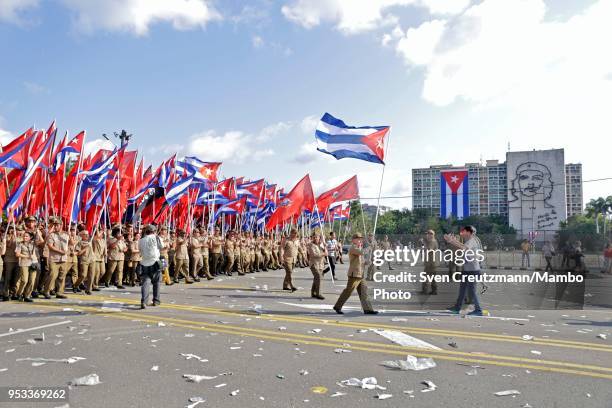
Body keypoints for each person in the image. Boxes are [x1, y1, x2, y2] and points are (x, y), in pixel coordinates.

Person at [333, 233, 378, 315]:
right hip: (355, 274)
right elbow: (362, 252)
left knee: (364, 292)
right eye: (358, 239)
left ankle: (368, 309)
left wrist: (367, 262)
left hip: (361, 274)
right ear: (353, 240)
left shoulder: (359, 248)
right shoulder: (353, 247)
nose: (360, 240)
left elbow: (361, 261)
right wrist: (370, 246)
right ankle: (337, 306)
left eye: (361, 239)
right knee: (348, 291)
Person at [444, 225, 484, 316]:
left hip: (472, 270)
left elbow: (464, 248)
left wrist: (452, 241)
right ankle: (457, 307)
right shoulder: (468, 241)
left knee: (471, 291)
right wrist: (452, 241)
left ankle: (478, 310)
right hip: (467, 269)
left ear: (472, 233)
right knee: (462, 289)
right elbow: (462, 246)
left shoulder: (473, 241)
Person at [43, 217, 70, 299]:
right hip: (54, 259)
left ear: (61, 225)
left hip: (64, 259)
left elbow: (72, 243)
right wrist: (60, 251)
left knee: (62, 276)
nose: (56, 226)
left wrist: (70, 235)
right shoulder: (51, 235)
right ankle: (46, 291)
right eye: (55, 225)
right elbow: (50, 246)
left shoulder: (66, 235)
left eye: (57, 225)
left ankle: (59, 292)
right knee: (53, 275)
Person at [138, 225, 163, 309]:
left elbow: (140, 251)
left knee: (145, 283)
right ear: (154, 231)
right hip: (155, 262)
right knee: (156, 283)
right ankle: (156, 300)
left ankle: (144, 302)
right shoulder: (156, 238)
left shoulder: (141, 240)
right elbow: (161, 247)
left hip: (144, 263)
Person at [14, 231, 39, 302]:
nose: (25, 237)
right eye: (24, 236)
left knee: (32, 281)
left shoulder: (33, 244)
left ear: (30, 237)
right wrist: (27, 256)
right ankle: (19, 293)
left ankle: (27, 295)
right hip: (24, 263)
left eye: (27, 236)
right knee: (24, 280)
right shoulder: (20, 244)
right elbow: (17, 254)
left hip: (33, 264)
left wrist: (38, 233)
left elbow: (42, 241)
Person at [307, 233, 327, 300]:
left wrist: (325, 247)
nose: (315, 238)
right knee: (318, 276)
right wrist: (324, 254)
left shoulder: (321, 245)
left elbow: (326, 252)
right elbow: (314, 255)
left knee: (317, 278)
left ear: (319, 238)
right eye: (314, 237)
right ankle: (318, 293)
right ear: (312, 238)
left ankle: (313, 293)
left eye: (317, 237)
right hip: (314, 264)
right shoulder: (311, 245)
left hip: (320, 264)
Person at [422, 230, 439, 295]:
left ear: (432, 235)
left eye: (428, 234)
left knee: (426, 277)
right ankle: (434, 290)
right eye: (427, 234)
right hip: (432, 262)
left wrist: (424, 244)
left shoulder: (432, 241)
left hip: (431, 263)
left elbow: (429, 249)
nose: (427, 235)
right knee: (433, 277)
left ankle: (425, 290)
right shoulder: (433, 241)